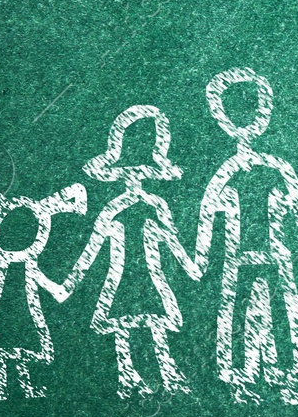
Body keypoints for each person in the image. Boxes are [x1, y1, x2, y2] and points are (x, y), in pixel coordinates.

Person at [191, 67, 298, 404]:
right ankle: (242, 381)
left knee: (281, 315)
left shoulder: (274, 168)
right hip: (243, 259)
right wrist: (198, 261)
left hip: (274, 258)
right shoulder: (231, 173)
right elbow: (207, 222)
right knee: (243, 316)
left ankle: (281, 378)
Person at [66, 104, 199, 397]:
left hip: (135, 276)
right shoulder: (130, 207)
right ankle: (131, 375)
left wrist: (189, 264)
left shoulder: (138, 207)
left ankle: (163, 371)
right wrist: (190, 265)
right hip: (132, 275)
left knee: (149, 323)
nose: (134, 177)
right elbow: (94, 247)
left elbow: (169, 239)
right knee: (134, 324)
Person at [0, 179, 86, 399]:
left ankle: (21, 386)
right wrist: (63, 289)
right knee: (7, 351)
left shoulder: (18, 270)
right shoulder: (8, 269)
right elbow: (53, 289)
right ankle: (6, 386)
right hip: (11, 316)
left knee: (19, 351)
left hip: (11, 317)